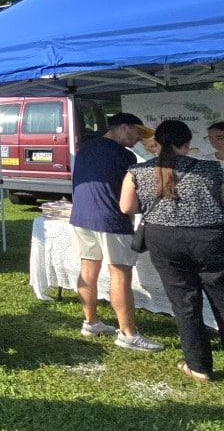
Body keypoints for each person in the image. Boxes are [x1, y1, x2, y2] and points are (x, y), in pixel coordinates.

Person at [120, 120, 224, 381]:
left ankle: (198, 366)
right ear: (186, 145)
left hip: (163, 239)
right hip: (209, 237)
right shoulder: (211, 169)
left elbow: (127, 207)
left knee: (184, 303)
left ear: (158, 143)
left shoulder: (136, 171)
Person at [69, 112, 164, 352]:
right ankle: (128, 334)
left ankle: (91, 322)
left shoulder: (86, 147)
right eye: (137, 133)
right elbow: (133, 193)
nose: (139, 139)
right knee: (120, 275)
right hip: (111, 218)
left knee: (88, 269)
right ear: (123, 128)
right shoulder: (124, 155)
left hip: (82, 215)